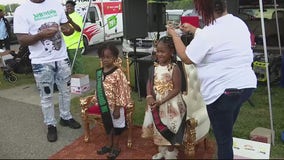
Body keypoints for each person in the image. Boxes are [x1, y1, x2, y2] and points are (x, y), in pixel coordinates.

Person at [167, 0, 257, 159]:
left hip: (223, 93)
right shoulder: (238, 23)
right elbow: (218, 37)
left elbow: (186, 57)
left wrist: (174, 35)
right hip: (246, 87)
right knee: (226, 132)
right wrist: (195, 30)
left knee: (223, 141)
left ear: (205, 10)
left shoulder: (209, 32)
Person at [13, 0, 81, 143]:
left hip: (62, 57)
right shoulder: (21, 10)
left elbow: (66, 28)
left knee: (66, 91)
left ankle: (66, 117)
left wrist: (68, 30)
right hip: (41, 62)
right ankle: (51, 124)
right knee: (46, 96)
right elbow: (22, 40)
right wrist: (40, 35)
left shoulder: (56, 4)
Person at [141, 36, 186, 159]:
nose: (159, 54)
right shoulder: (153, 68)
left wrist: (162, 100)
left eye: (162, 51)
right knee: (158, 128)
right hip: (155, 103)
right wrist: (149, 97)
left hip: (170, 103)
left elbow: (177, 89)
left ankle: (171, 153)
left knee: (170, 126)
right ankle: (162, 150)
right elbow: (149, 84)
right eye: (157, 50)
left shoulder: (174, 68)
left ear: (171, 52)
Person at [91, 42, 132, 159]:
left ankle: (116, 146)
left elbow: (123, 91)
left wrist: (118, 108)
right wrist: (95, 100)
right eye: (103, 57)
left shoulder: (118, 73)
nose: (105, 59)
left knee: (117, 127)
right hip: (104, 105)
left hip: (116, 107)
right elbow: (98, 88)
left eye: (108, 57)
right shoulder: (99, 72)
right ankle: (109, 144)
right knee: (108, 125)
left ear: (114, 57)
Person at [63, 0, 85, 74]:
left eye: (70, 6)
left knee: (77, 65)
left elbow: (79, 29)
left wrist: (71, 21)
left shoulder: (77, 16)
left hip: (75, 45)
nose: (68, 7)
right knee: (69, 66)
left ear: (73, 7)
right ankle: (74, 82)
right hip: (66, 45)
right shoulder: (64, 16)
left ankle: (82, 81)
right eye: (67, 6)